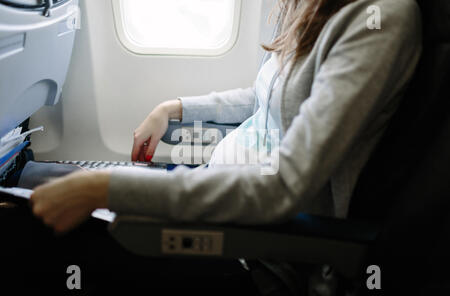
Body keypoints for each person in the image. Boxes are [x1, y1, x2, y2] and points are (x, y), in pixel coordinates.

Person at [30, 0, 422, 235]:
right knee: (35, 182)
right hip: (220, 187)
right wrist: (174, 108)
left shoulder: (377, 20)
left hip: (259, 241)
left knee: (52, 233)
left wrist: (105, 189)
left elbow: (283, 189)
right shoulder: (320, 8)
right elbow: (267, 97)